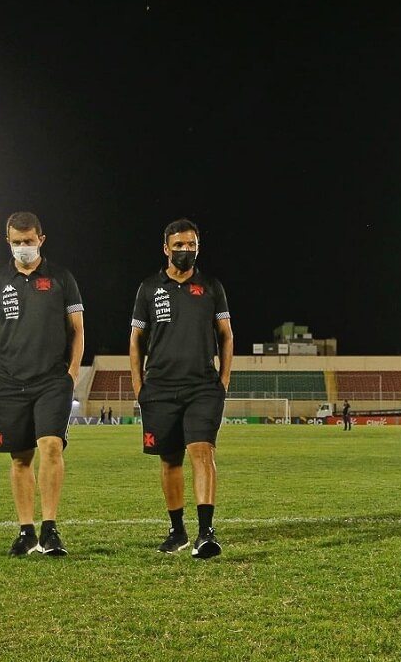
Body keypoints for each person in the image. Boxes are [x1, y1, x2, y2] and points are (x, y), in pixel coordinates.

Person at [0, 211, 85, 557]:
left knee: (51, 447)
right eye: (17, 241)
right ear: (7, 240)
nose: (23, 247)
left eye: (29, 240)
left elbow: (77, 330)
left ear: (41, 239)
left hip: (52, 380)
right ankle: (26, 532)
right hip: (7, 383)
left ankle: (50, 530)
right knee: (20, 458)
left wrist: (72, 373)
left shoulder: (61, 279)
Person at [129, 218, 233, 558]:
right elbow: (136, 340)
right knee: (169, 460)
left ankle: (206, 532)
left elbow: (226, 335)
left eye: (191, 245)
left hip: (202, 386)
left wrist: (224, 381)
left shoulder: (212, 287)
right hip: (158, 388)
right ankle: (178, 531)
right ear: (166, 248)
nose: (185, 251)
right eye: (179, 245)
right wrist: (138, 386)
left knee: (202, 452)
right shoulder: (148, 289)